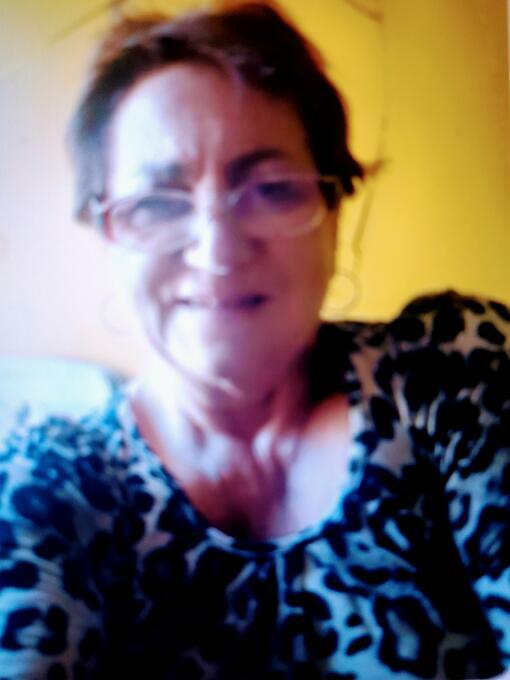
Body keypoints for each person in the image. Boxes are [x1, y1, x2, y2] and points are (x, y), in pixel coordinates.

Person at [0, 2, 509, 678]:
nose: (219, 251)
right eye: (157, 203)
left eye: (271, 189)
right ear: (108, 239)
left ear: (334, 210)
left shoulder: (447, 372)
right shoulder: (50, 482)